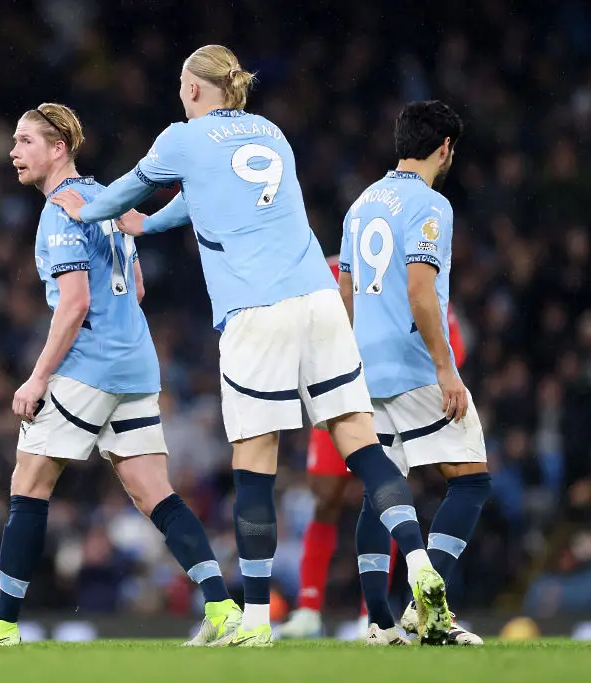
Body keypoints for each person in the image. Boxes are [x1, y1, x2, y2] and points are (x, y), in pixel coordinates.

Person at [51, 45, 451, 647]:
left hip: (255, 311)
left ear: (192, 88)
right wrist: (151, 225)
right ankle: (419, 564)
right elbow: (205, 196)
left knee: (255, 463)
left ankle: (258, 619)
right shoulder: (270, 131)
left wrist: (83, 210)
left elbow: (120, 194)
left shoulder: (181, 138)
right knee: (362, 444)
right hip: (320, 300)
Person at [0, 103, 240, 647]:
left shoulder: (62, 210)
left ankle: (2, 624)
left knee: (28, 484)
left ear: (58, 148)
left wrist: (37, 378)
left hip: (90, 367)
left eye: (25, 141)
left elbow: (75, 302)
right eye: (14, 141)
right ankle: (223, 608)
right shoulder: (108, 198)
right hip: (137, 364)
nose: (13, 151)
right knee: (154, 493)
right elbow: (138, 287)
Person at [339, 100, 490, 646]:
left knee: (381, 492)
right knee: (471, 479)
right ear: (445, 148)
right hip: (412, 363)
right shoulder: (430, 204)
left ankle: (379, 622)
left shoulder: (360, 204)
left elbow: (346, 292)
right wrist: (446, 369)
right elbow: (421, 291)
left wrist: (348, 364)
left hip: (365, 366)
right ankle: (424, 610)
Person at [278, 255, 468, 641]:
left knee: (383, 499)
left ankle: (373, 613)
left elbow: (453, 344)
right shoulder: (325, 270)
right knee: (325, 500)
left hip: (386, 402)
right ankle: (309, 609)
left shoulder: (411, 274)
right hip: (336, 398)